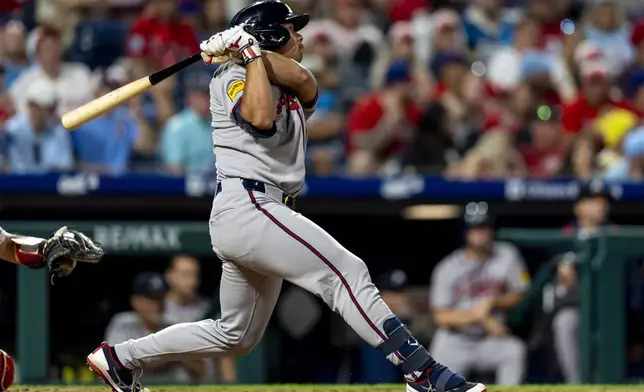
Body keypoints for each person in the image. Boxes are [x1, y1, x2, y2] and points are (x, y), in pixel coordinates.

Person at [86, 3, 486, 392]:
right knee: (346, 273)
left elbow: (306, 83)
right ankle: (422, 373)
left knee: (236, 335)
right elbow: (259, 118)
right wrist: (244, 54)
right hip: (249, 205)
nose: (300, 37)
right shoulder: (229, 77)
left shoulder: (286, 75)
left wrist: (250, 50)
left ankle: (121, 357)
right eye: (291, 30)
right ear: (270, 36)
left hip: (259, 210)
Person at [429, 203, 529, 385]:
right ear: (466, 233)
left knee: (514, 351)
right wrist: (480, 316)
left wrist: (493, 302)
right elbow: (441, 317)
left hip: (490, 340)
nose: (480, 233)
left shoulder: (507, 255)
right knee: (437, 382)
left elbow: (521, 293)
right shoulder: (447, 267)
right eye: (475, 228)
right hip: (455, 341)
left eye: (483, 227)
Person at [104, 272, 206, 384]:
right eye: (151, 299)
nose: (157, 305)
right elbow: (111, 363)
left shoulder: (173, 327)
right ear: (136, 301)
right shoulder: (123, 323)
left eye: (160, 298)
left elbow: (201, 370)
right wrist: (168, 353)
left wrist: (180, 356)